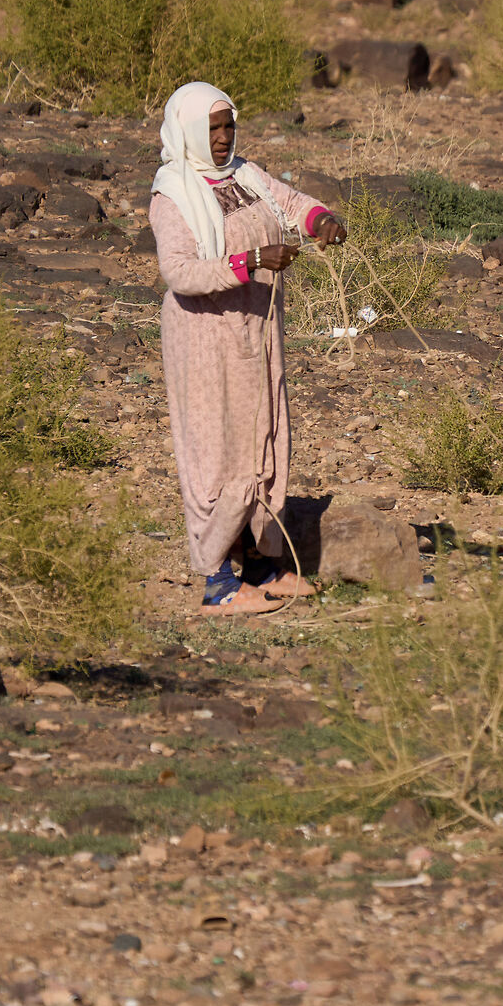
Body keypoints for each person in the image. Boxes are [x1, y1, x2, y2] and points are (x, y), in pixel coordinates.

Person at [149, 82, 346, 616]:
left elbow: (290, 203)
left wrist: (320, 221)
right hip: (204, 339)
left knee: (264, 436)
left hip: (255, 330)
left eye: (227, 125)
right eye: (210, 129)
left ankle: (261, 562)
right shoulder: (172, 195)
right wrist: (252, 260)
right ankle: (217, 580)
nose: (221, 137)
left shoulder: (246, 174)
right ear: (188, 131)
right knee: (215, 449)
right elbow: (180, 272)